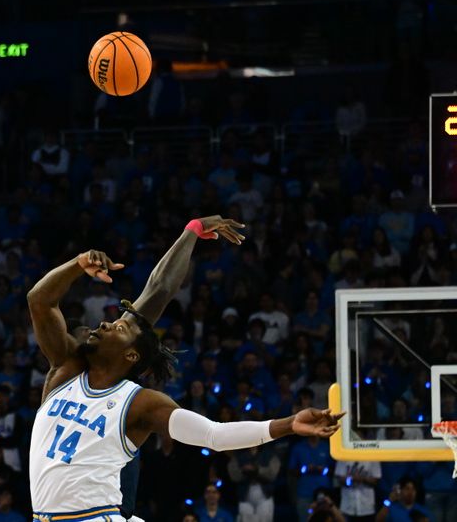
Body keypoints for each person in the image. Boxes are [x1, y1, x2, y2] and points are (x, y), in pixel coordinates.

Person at [26, 216, 343, 521]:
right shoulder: (66, 369)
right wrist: (79, 264)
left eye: (119, 328)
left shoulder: (139, 403)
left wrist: (289, 424)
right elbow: (40, 300)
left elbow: (213, 434)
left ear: (132, 356)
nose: (107, 323)